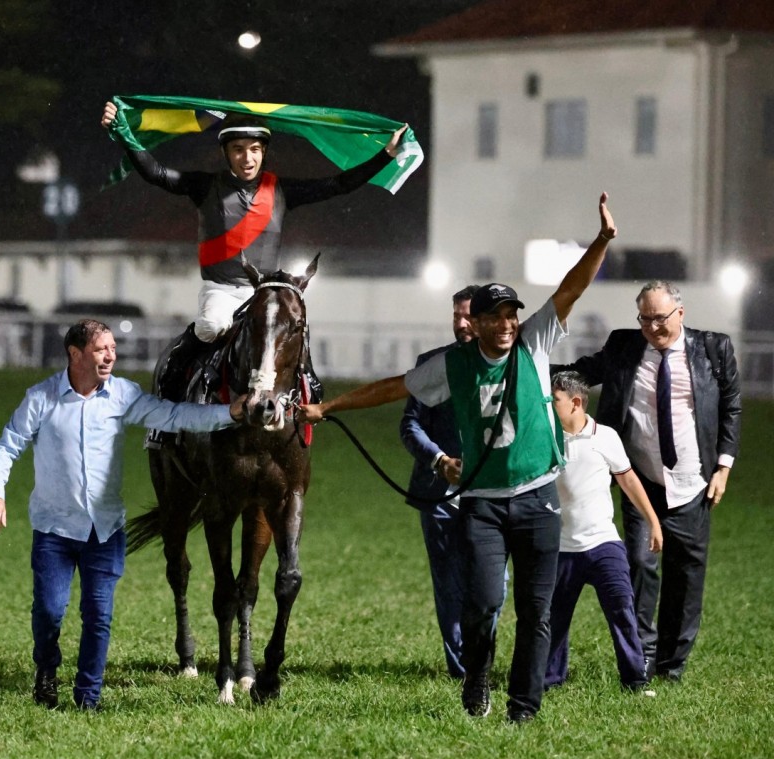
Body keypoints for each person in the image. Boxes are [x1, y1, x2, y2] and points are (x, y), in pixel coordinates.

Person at [301, 193, 617, 723]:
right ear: (479, 320)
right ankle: (477, 679)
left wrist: (603, 241)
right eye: (498, 316)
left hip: (538, 498)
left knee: (535, 612)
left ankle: (524, 708)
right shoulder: (454, 364)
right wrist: (330, 405)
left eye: (513, 313)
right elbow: (393, 387)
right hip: (484, 505)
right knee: (483, 603)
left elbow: (571, 288)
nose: (508, 323)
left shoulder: (533, 343)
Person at [0, 319, 246, 711]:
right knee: (50, 612)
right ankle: (46, 671)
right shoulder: (41, 398)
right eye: (101, 349)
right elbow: (7, 447)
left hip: (104, 531)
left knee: (98, 617)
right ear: (75, 354)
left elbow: (173, 417)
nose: (111, 355)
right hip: (54, 530)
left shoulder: (123, 395)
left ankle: (88, 695)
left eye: (113, 348)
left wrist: (231, 413)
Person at [101, 100, 407, 398]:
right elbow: (157, 174)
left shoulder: (281, 190)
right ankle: (173, 371)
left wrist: (386, 155)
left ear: (263, 153)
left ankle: (308, 381)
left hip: (262, 292)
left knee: (291, 323)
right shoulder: (205, 185)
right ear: (226, 153)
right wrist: (124, 133)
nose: (247, 158)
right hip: (219, 290)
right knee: (213, 325)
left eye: (255, 150)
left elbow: (338, 185)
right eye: (238, 150)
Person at [559, 280, 741, 682]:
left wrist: (724, 467)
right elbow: (581, 372)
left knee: (686, 576)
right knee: (640, 564)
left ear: (680, 313)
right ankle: (643, 655)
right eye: (645, 319)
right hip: (641, 480)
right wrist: (524, 365)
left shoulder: (713, 349)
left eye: (660, 318)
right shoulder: (625, 347)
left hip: (694, 483)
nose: (652, 327)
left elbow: (731, 407)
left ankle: (672, 666)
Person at [546, 371, 662, 693]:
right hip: (561, 548)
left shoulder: (605, 437)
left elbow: (628, 480)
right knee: (553, 620)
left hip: (603, 544)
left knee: (622, 610)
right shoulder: (545, 436)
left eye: (553, 400)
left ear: (576, 403)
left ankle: (635, 680)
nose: (547, 405)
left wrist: (652, 521)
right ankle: (550, 680)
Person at [399, 284, 482, 679]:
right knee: (449, 586)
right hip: (441, 496)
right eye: (456, 316)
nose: (461, 324)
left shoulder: (511, 364)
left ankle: (481, 656)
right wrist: (439, 460)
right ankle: (462, 670)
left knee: (490, 586)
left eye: (468, 316)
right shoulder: (430, 364)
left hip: (492, 496)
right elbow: (409, 424)